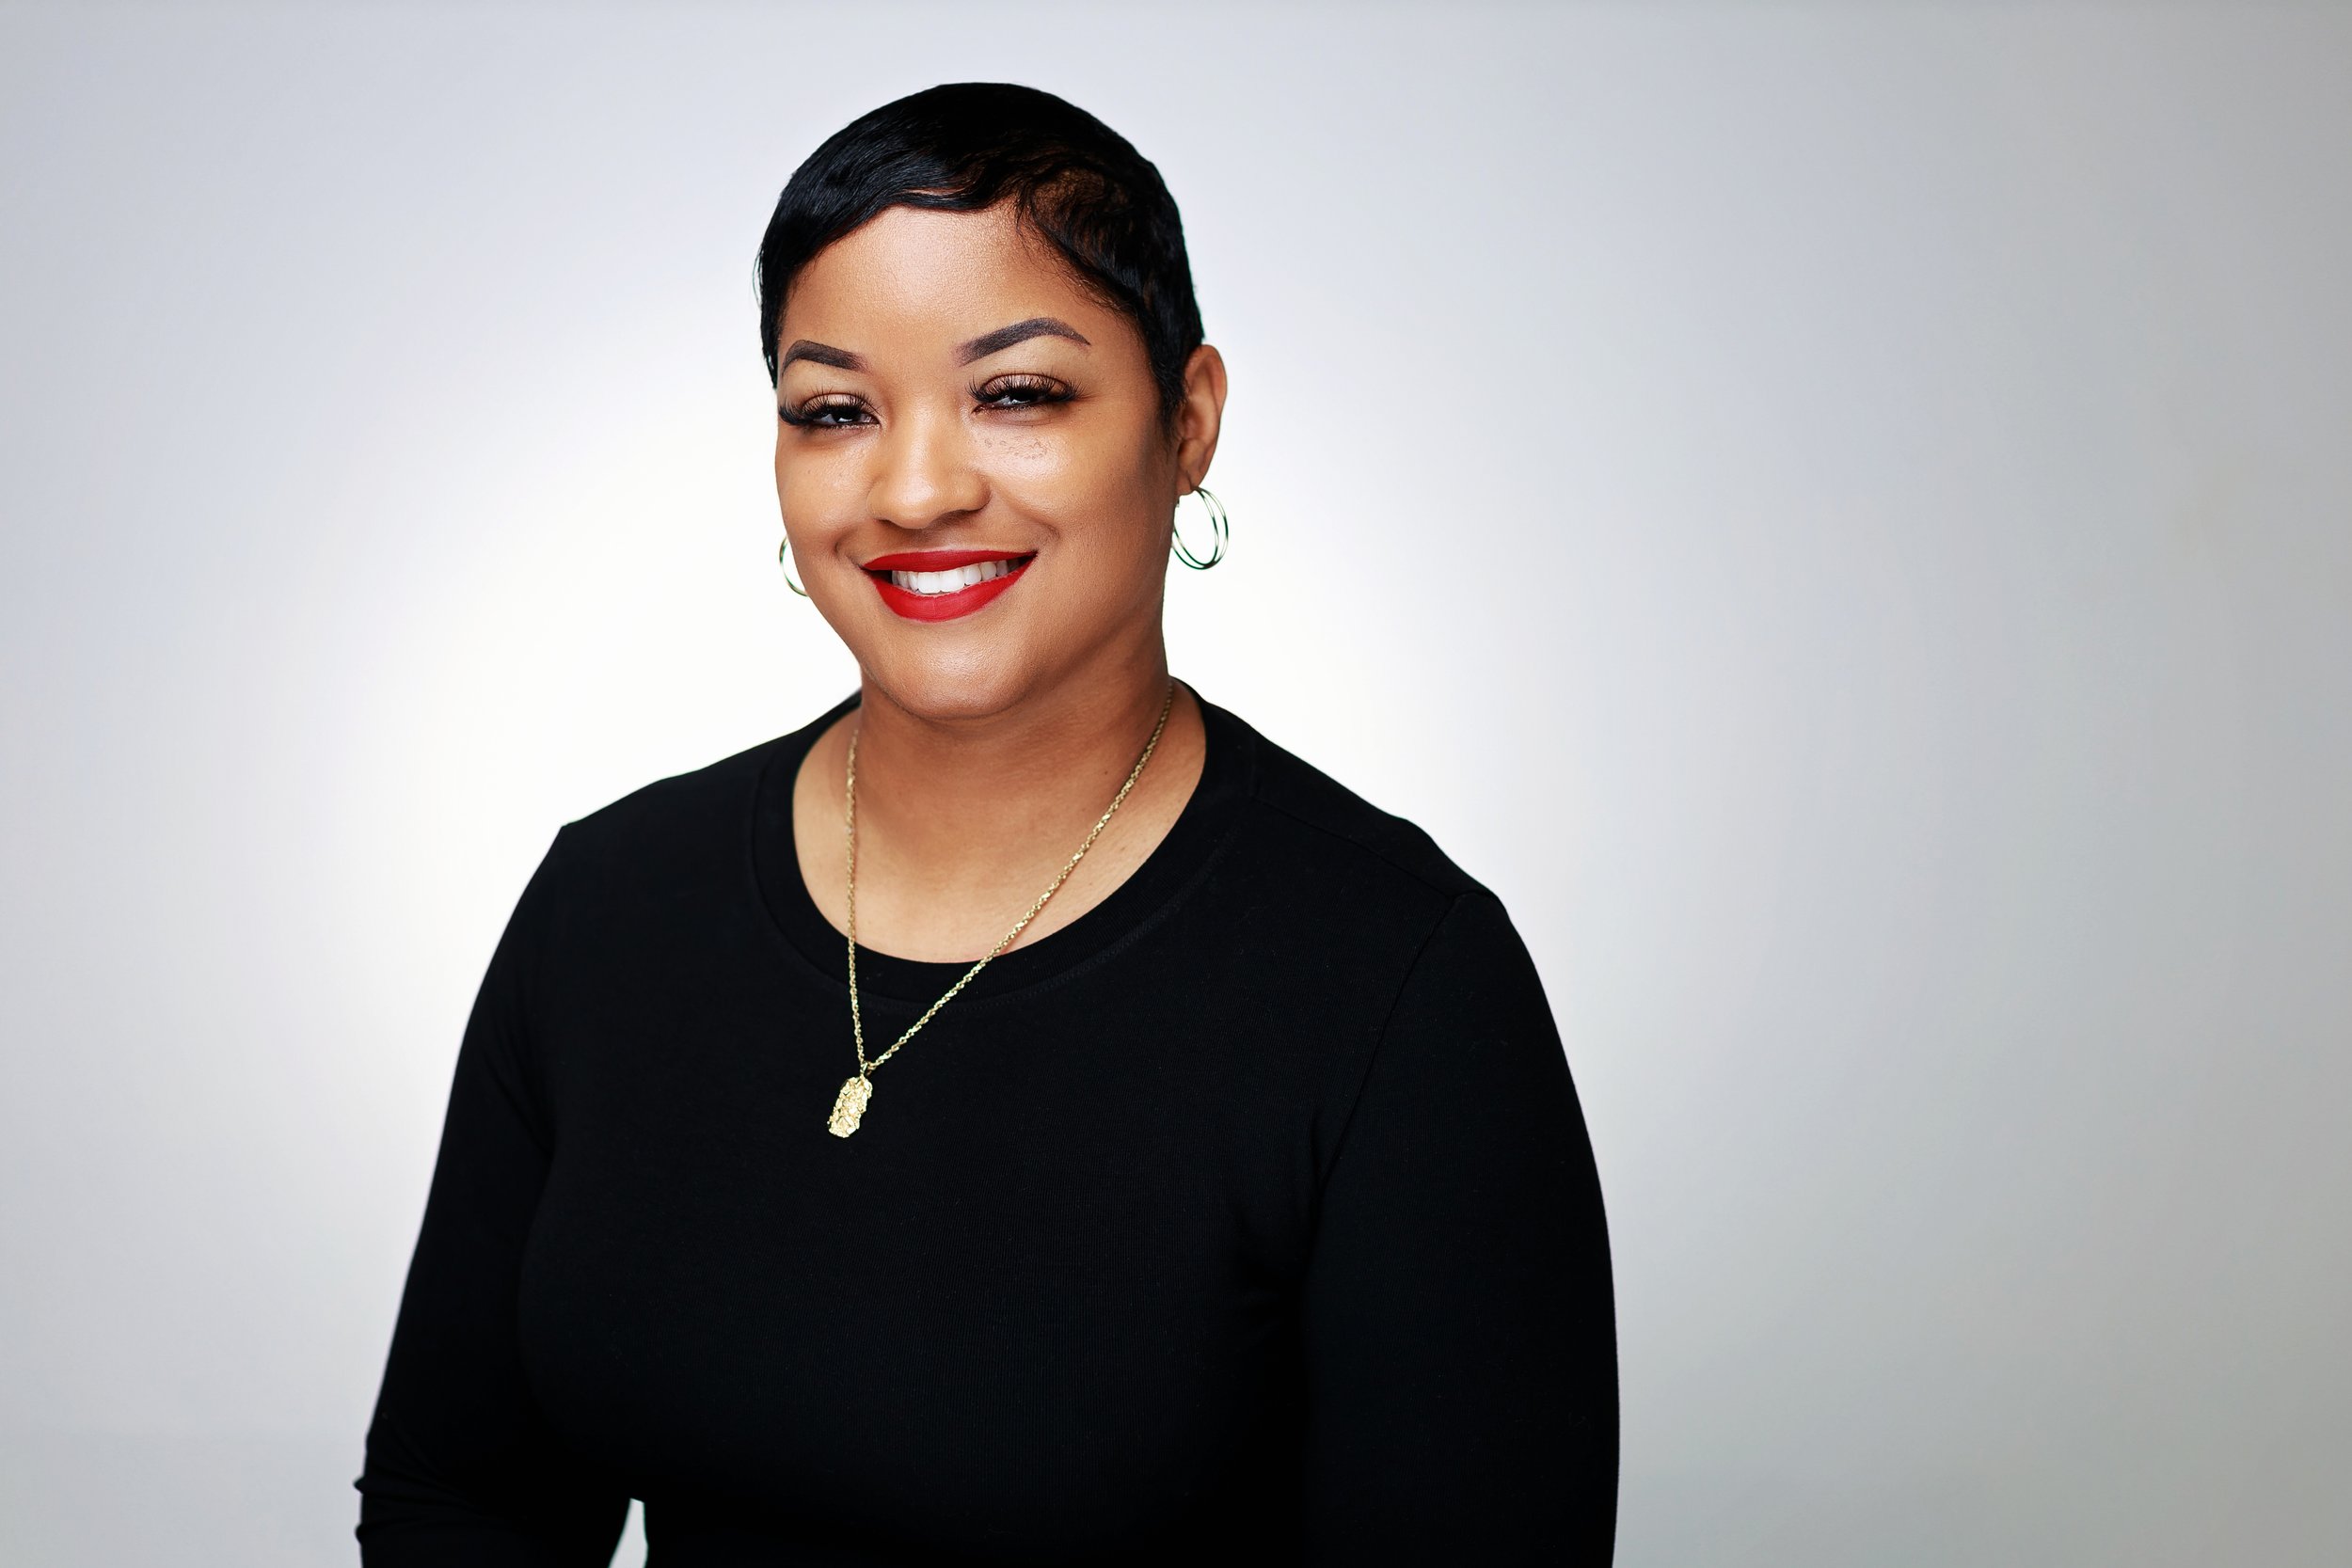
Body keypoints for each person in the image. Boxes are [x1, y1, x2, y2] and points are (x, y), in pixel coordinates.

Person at [356, 81, 1617, 1564]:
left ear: (1189, 419)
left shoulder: (1402, 984)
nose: (917, 487)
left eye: (1017, 394)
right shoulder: (608, 905)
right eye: (836, 411)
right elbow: (461, 1503)